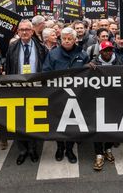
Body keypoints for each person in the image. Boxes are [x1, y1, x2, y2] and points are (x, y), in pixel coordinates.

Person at [43, 27, 89, 163]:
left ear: (75, 40)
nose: (67, 41)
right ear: (60, 39)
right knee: (58, 123)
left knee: (73, 124)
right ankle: (60, 147)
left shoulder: (83, 54)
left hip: (77, 96)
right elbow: (46, 72)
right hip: (58, 96)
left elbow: (89, 76)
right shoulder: (53, 54)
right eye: (64, 39)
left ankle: (69, 149)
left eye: (70, 39)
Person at [5, 20, 47, 165]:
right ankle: (22, 150)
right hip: (17, 90)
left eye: (27, 29)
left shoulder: (41, 47)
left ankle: (33, 149)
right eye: (21, 30)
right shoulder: (12, 47)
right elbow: (9, 69)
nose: (24, 32)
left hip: (35, 90)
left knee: (33, 121)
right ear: (18, 32)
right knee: (19, 122)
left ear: (32, 31)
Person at [87, 41, 123, 170]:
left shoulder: (119, 62)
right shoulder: (94, 62)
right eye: (105, 50)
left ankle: (108, 148)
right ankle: (98, 153)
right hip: (97, 100)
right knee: (98, 127)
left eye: (110, 50)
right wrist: (87, 67)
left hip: (113, 100)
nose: (108, 52)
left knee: (111, 126)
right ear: (100, 52)